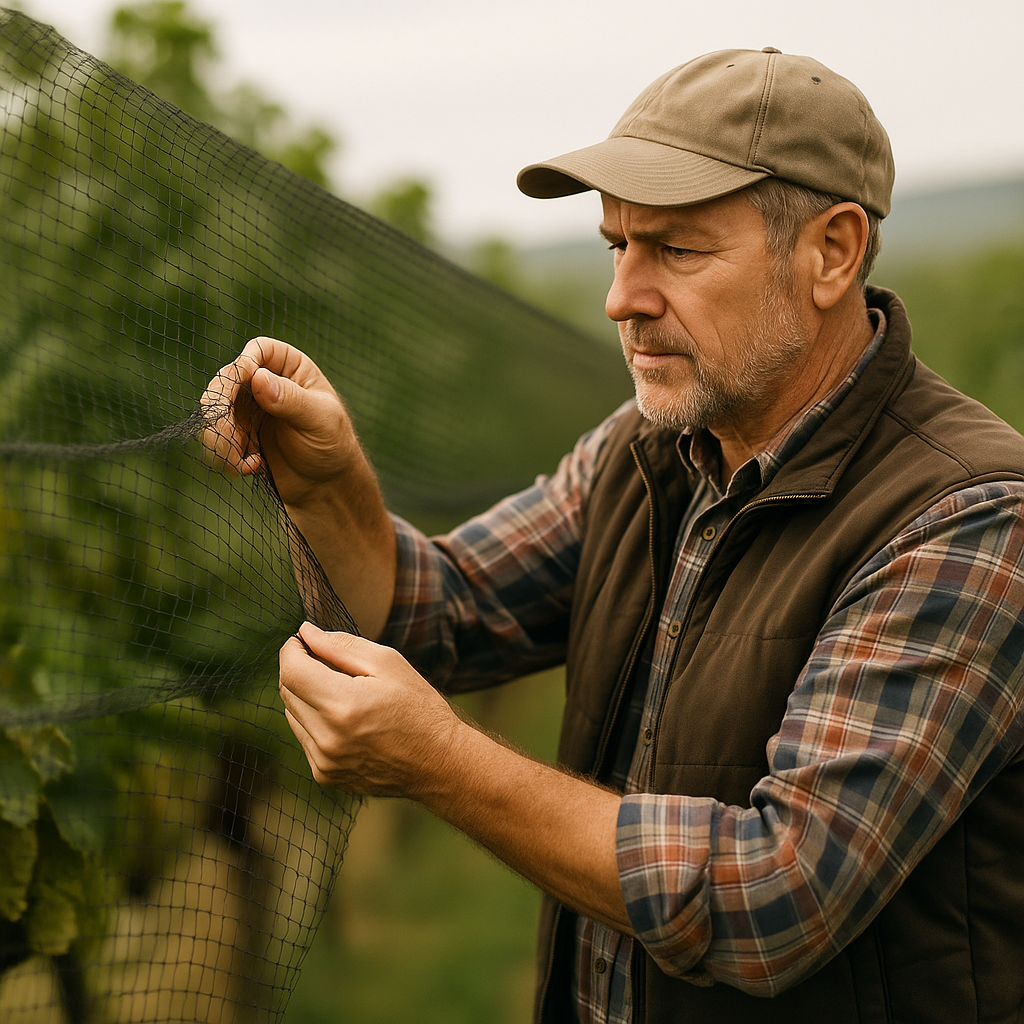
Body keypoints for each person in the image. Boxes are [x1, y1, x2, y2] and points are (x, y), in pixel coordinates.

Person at [202, 48, 1024, 1024]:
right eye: (614, 246)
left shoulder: (967, 515)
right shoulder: (644, 451)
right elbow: (447, 611)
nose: (620, 297)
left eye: (675, 250)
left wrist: (441, 762)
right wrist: (327, 479)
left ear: (832, 253)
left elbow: (775, 894)